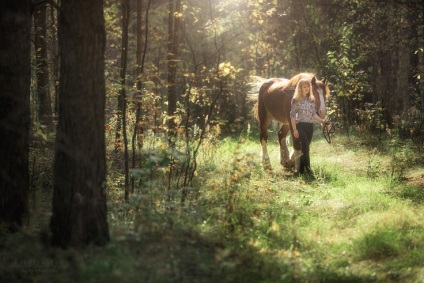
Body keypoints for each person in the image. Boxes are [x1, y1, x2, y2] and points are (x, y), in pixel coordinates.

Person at [290, 78, 327, 175]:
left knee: (305, 148)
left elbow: (313, 114)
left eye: (308, 86)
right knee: (306, 147)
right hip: (300, 126)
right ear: (300, 88)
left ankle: (301, 171)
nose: (307, 88)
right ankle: (309, 171)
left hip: (310, 126)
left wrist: (322, 121)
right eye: (304, 87)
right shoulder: (295, 100)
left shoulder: (312, 100)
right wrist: (294, 129)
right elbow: (293, 116)